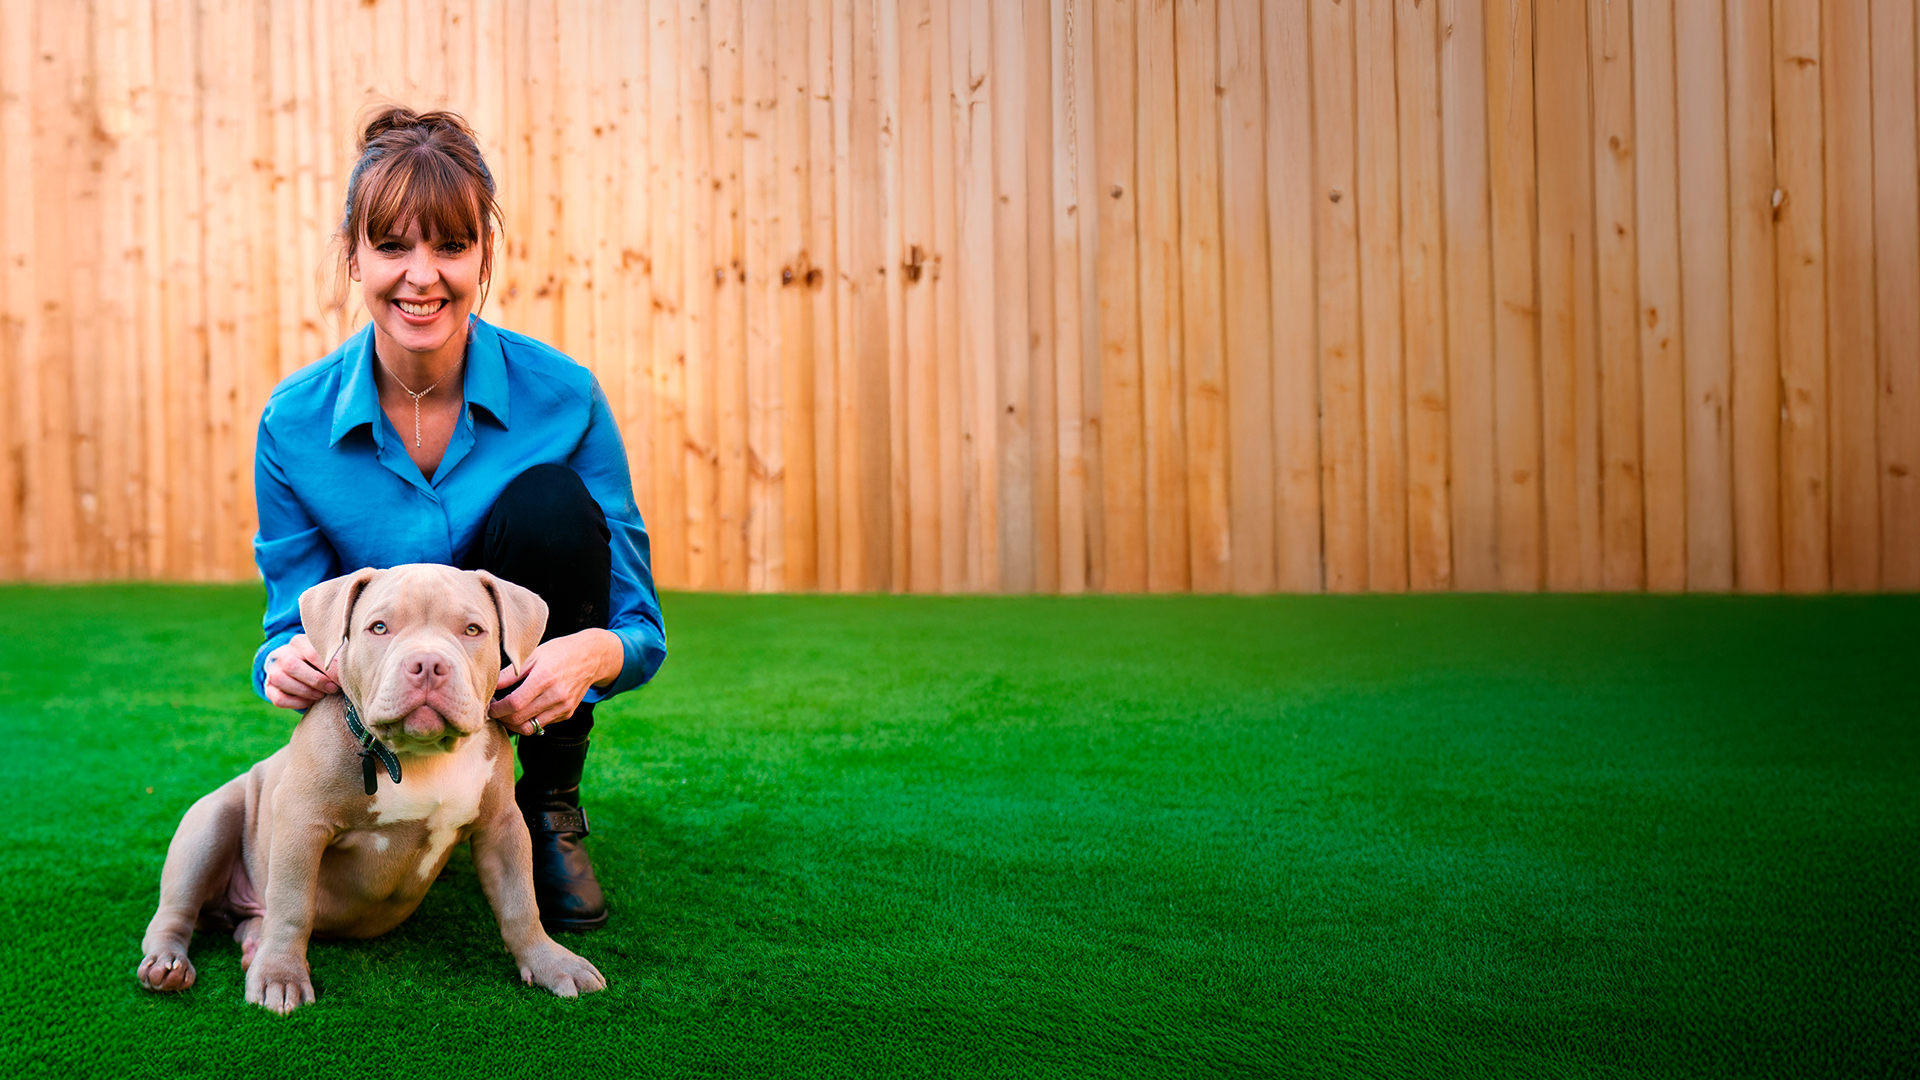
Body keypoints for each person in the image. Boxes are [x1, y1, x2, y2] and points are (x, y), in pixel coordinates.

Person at [251, 105, 665, 932]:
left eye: (450, 246)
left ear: (484, 253)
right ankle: (390, 816)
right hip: (376, 728)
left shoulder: (564, 397)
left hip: (509, 700)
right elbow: (285, 618)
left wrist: (593, 652)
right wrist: (281, 661)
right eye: (393, 247)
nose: (422, 276)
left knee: (549, 500)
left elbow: (639, 623)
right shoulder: (293, 426)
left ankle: (543, 804)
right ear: (354, 257)